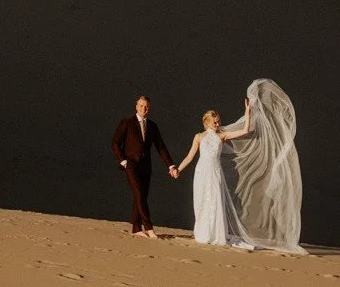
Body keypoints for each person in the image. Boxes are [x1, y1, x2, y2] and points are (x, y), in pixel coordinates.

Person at [174, 78, 306, 253]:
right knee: (200, 201)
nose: (217, 123)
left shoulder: (222, 135)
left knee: (214, 201)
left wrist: (248, 112)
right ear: (206, 122)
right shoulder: (199, 137)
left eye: (218, 121)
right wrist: (178, 169)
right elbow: (190, 157)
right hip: (201, 172)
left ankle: (215, 234)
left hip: (214, 172)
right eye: (214, 121)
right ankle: (203, 233)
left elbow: (244, 130)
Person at [110, 94, 177, 238]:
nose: (143, 108)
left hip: (146, 167)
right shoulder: (126, 122)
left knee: (141, 196)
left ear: (149, 108)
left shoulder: (152, 126)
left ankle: (136, 228)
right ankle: (149, 227)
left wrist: (171, 165)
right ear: (136, 106)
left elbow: (161, 147)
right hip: (131, 165)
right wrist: (123, 161)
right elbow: (115, 143)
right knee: (139, 193)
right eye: (141, 105)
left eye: (146, 106)